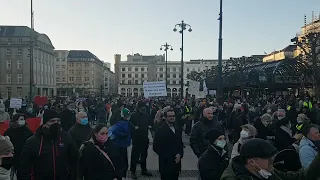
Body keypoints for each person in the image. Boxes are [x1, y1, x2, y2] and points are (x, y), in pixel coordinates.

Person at [18, 109, 78, 180]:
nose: (56, 123)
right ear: (45, 123)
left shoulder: (66, 137)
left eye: (58, 121)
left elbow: (74, 160)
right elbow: (24, 167)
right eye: (52, 121)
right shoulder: (33, 141)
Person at [221, 138, 320, 180]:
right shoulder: (233, 178)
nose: (272, 162)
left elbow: (302, 176)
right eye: (269, 159)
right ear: (252, 162)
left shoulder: (267, 171)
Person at [153, 108, 183, 180]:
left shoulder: (177, 128)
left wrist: (180, 154)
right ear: (165, 117)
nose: (172, 117)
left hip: (176, 164)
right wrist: (169, 156)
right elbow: (156, 147)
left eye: (173, 116)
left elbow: (180, 144)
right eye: (170, 116)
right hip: (166, 164)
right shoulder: (160, 130)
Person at [130, 101, 152, 179]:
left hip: (144, 137)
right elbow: (130, 126)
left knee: (144, 155)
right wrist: (134, 130)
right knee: (135, 156)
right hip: (137, 138)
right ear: (139, 107)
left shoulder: (146, 115)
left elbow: (149, 123)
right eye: (142, 107)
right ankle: (133, 171)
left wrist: (149, 126)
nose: (144, 108)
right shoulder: (133, 115)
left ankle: (144, 169)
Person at [108, 108, 132, 178]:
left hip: (124, 144)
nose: (128, 117)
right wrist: (123, 134)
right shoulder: (120, 123)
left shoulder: (126, 122)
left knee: (124, 160)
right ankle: (120, 174)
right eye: (126, 116)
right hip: (120, 144)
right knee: (121, 160)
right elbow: (113, 130)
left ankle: (122, 173)